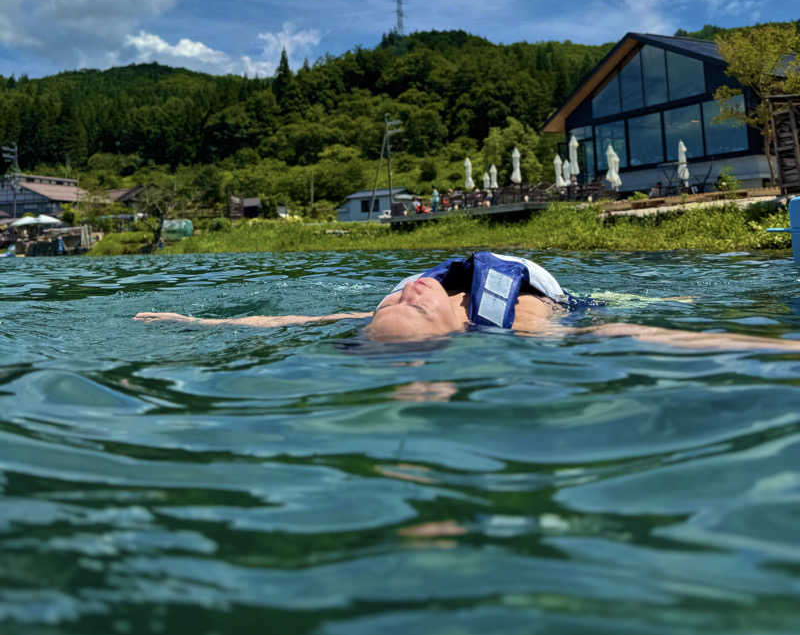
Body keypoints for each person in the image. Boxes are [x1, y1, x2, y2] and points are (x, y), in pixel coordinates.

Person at [135, 250, 800, 353]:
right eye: (417, 306)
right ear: (454, 324)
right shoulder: (516, 318)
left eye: (400, 295)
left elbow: (291, 318)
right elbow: (627, 333)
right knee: (628, 301)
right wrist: (774, 345)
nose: (413, 288)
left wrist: (196, 318)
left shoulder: (399, 304)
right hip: (579, 300)